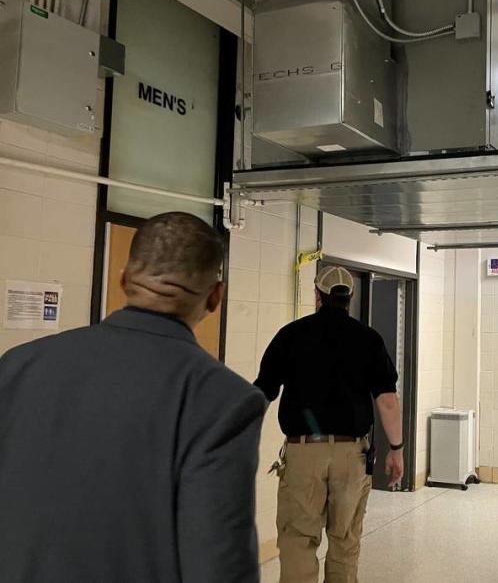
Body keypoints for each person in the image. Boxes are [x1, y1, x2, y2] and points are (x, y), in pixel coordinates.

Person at [0, 212, 266, 583]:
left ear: (124, 278)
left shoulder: (18, 366)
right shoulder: (222, 399)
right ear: (215, 297)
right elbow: (218, 561)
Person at [255, 265, 404, 583]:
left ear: (317, 295)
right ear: (350, 297)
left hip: (303, 453)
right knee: (345, 540)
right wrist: (397, 449)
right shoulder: (368, 339)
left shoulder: (291, 335)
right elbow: (387, 400)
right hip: (351, 456)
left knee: (298, 541)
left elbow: (263, 392)